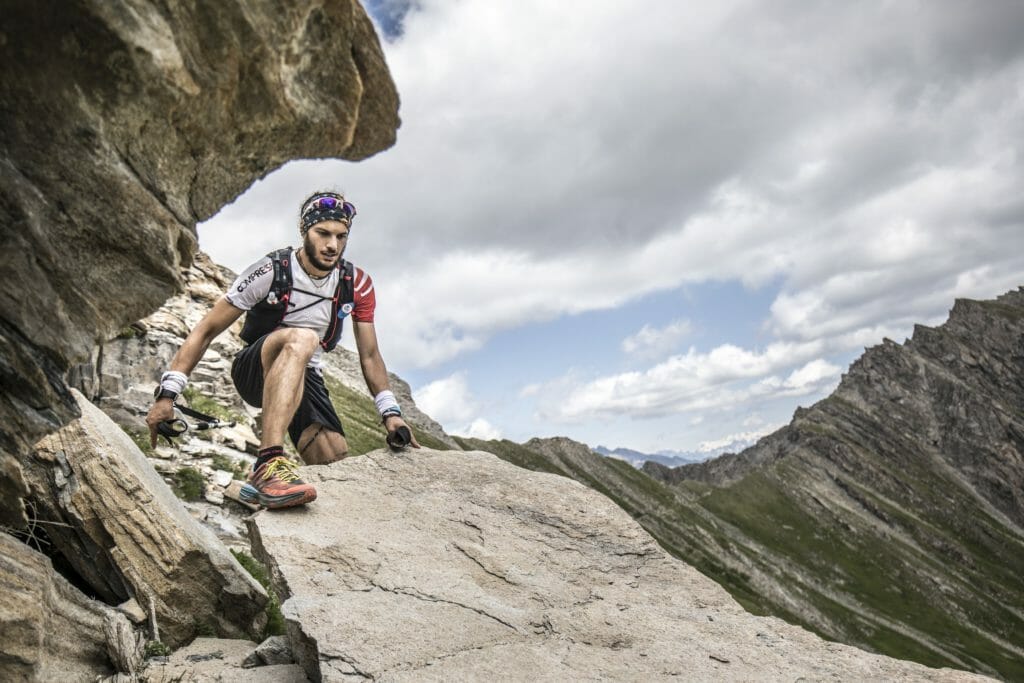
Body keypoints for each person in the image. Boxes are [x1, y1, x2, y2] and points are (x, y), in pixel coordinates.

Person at [146, 190, 419, 509]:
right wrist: (168, 395)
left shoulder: (355, 284)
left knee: (334, 464)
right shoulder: (271, 270)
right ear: (305, 231)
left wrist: (391, 414)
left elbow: (370, 355)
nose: (332, 245)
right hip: (255, 366)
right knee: (303, 338)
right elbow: (206, 330)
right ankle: (268, 464)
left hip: (306, 376)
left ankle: (253, 489)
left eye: (341, 236)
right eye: (323, 233)